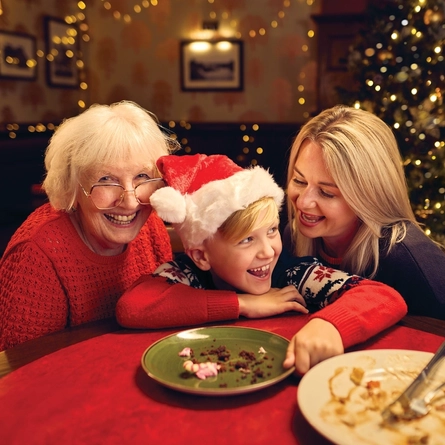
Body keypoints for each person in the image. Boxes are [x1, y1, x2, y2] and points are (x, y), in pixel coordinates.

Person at [116, 153, 407, 374]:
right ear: (202, 257)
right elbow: (133, 306)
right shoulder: (186, 274)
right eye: (246, 240)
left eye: (271, 231)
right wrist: (242, 304)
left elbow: (383, 296)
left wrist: (330, 326)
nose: (268, 251)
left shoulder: (292, 275)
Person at [0, 100, 179, 351]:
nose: (130, 202)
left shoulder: (152, 228)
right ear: (73, 185)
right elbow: (26, 373)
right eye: (107, 179)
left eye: (142, 177)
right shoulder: (36, 253)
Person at [285, 104, 445, 319]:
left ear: (367, 196)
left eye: (326, 192)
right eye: (299, 180)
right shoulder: (290, 236)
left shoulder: (409, 259)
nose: (303, 203)